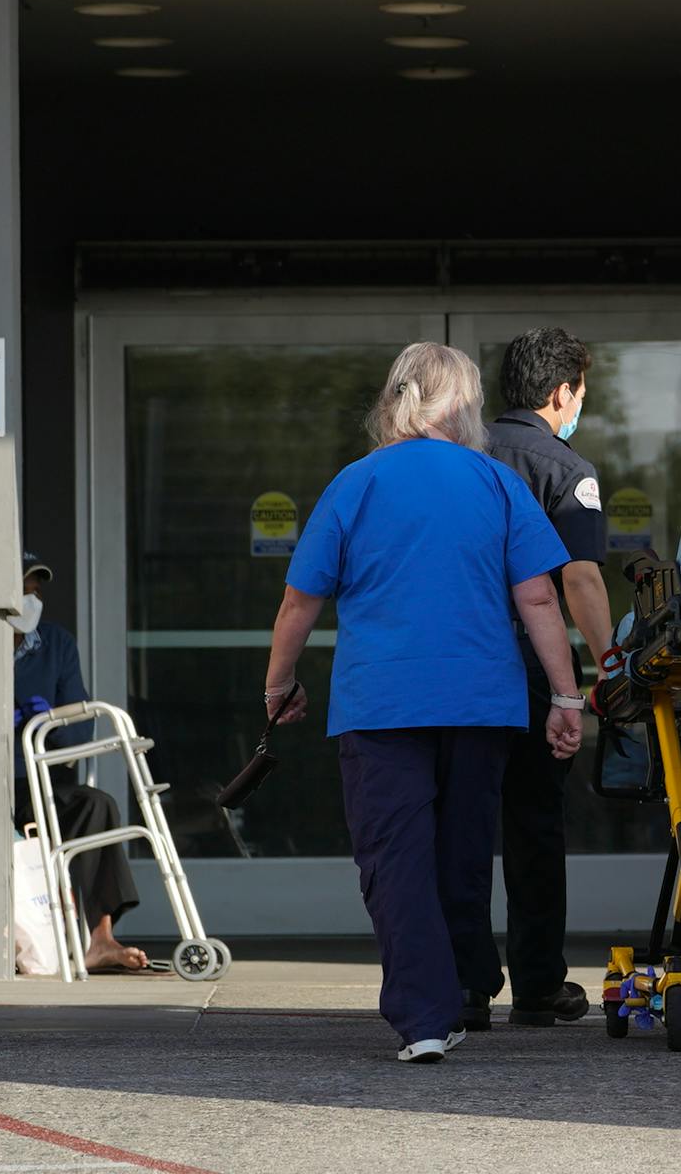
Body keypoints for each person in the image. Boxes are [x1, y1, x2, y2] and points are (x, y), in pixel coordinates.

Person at [259, 342, 582, 1064]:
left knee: (395, 857)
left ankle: (425, 1016)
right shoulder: (498, 484)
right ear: (464, 405)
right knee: (462, 855)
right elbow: (537, 597)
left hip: (382, 703)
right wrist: (566, 695)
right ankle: (465, 989)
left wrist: (279, 686)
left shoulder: (356, 483)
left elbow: (300, 601)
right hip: (482, 702)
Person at [463, 326, 615, 1029]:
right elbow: (579, 578)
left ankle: (464, 982)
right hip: (531, 667)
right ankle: (537, 984)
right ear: (561, 394)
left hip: (458, 663)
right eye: (581, 394)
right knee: (532, 825)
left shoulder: (461, 456)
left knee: (460, 824)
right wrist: (610, 661)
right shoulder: (565, 469)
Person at [11, 550, 147, 974]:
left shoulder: (55, 643)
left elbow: (78, 730)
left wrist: (42, 719)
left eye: (35, 588)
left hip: (39, 778)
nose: (31, 596)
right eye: (22, 588)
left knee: (96, 804)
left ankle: (98, 939)